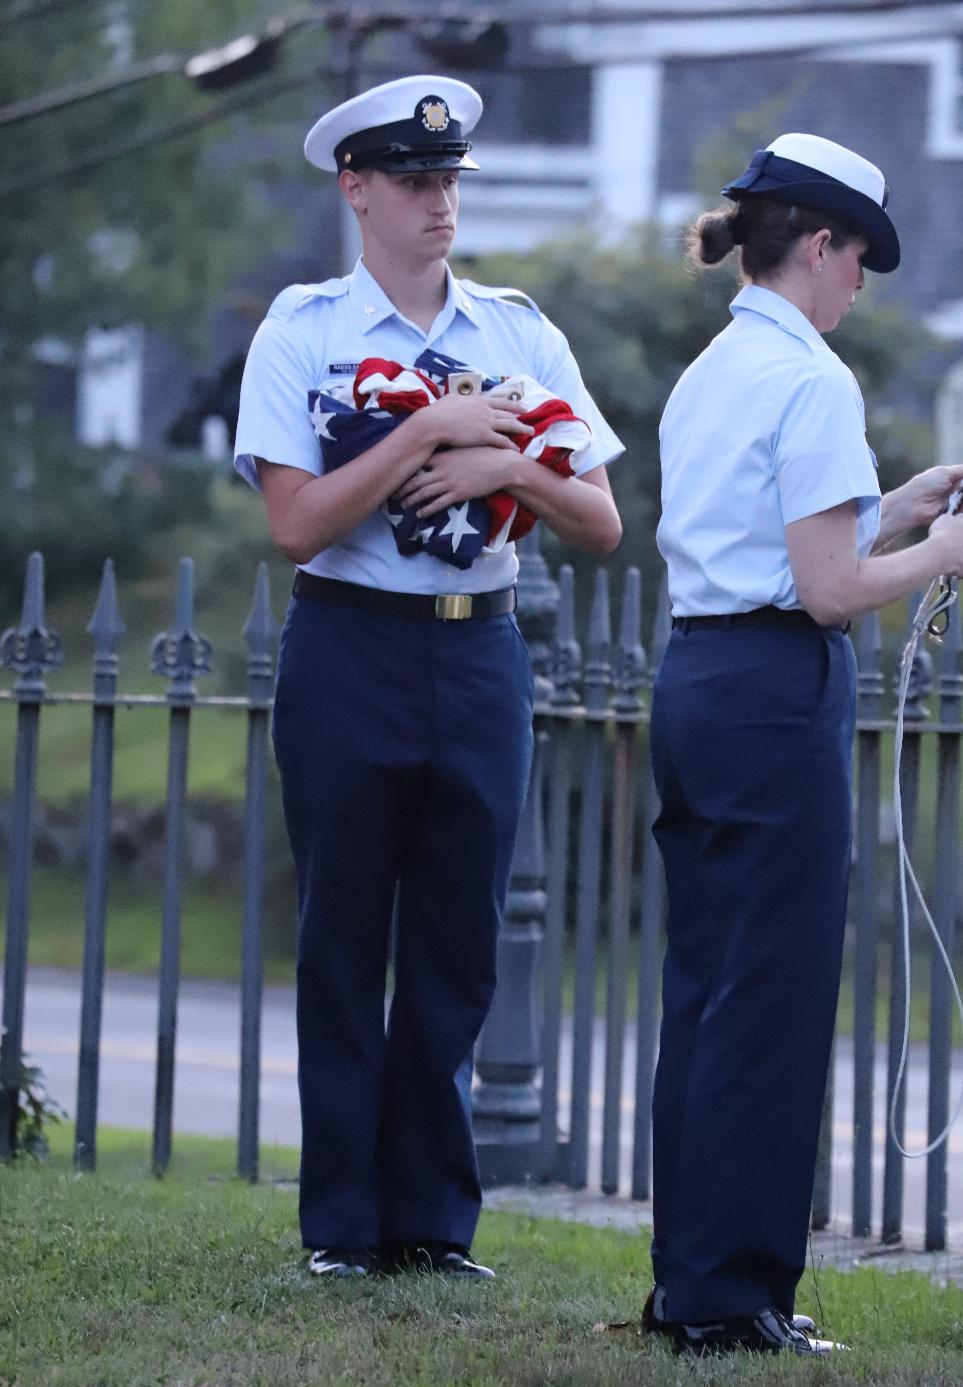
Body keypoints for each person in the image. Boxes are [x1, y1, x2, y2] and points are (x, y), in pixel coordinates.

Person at [233, 74, 623, 1280]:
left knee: (458, 946)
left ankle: (431, 1224)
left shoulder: (517, 332)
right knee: (346, 936)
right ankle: (342, 1226)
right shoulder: (305, 331)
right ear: (355, 189)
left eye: (450, 180)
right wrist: (414, 437)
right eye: (413, 180)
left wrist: (493, 461)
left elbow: (600, 520)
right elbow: (295, 525)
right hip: (352, 643)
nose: (438, 202)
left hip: (479, 644)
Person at [644, 132, 963, 1355]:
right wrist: (935, 555)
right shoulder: (812, 380)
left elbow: (779, 539)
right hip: (772, 692)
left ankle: (688, 1281)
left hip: (697, 677)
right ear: (823, 245)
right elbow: (829, 588)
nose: (859, 289)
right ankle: (735, 1298)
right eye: (859, 263)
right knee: (770, 999)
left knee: (706, 989)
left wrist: (895, 504)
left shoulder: (717, 367)